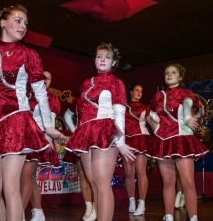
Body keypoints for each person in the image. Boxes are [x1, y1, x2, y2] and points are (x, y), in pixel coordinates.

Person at [0, 4, 60, 221]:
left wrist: (48, 126)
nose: (22, 25)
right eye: (17, 20)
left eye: (25, 23)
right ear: (3, 22)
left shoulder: (29, 54)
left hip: (17, 119)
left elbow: (40, 92)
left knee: (11, 186)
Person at [65, 42, 136, 221]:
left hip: (106, 131)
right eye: (99, 56)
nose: (102, 59)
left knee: (103, 184)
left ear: (114, 62)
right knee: (94, 183)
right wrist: (77, 133)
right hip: (86, 133)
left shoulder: (116, 82)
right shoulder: (86, 83)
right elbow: (79, 113)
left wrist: (119, 141)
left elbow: (119, 112)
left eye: (107, 57)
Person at [146, 64, 208, 221]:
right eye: (166, 72)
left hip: (182, 139)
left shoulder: (186, 93)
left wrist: (188, 118)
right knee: (168, 182)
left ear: (180, 77)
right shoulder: (158, 96)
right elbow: (150, 115)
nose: (169, 74)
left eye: (173, 72)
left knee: (187, 182)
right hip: (163, 140)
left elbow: (187, 105)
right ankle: (169, 216)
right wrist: (156, 128)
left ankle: (193, 218)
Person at [21, 70, 66, 221]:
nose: (46, 79)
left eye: (49, 78)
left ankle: (17, 213)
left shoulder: (51, 98)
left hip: (40, 140)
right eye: (43, 77)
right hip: (24, 139)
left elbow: (50, 123)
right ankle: (38, 212)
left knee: (26, 175)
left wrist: (47, 139)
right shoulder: (27, 95)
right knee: (30, 177)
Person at [64, 99, 96, 221]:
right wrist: (76, 132)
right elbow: (67, 115)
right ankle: (89, 206)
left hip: (96, 140)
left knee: (95, 176)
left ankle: (96, 206)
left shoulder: (101, 98)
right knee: (83, 174)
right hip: (82, 141)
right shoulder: (79, 101)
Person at [124, 83, 150, 216]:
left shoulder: (146, 108)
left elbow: (152, 121)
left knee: (140, 171)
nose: (139, 92)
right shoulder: (123, 107)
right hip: (127, 140)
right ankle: (132, 200)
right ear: (131, 92)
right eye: (137, 90)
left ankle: (142, 202)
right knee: (129, 173)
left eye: (141, 91)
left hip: (141, 138)